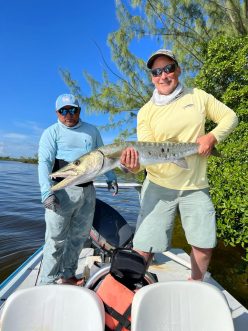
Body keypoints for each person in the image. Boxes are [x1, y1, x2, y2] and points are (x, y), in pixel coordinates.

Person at [120, 49, 238, 281]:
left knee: (204, 246)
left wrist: (211, 137)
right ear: (152, 77)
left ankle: (194, 283)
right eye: (156, 72)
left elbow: (230, 117)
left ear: (178, 70)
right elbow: (148, 153)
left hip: (195, 184)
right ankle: (132, 288)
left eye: (168, 69)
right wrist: (133, 167)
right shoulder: (145, 112)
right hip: (158, 185)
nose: (163, 76)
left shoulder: (198, 96)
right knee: (143, 247)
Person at [38, 93, 118, 285]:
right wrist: (46, 192)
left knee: (79, 237)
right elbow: (44, 163)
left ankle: (68, 275)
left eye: (73, 110)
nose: (68, 114)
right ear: (57, 113)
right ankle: (47, 281)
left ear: (79, 111)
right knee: (55, 240)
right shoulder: (51, 132)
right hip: (62, 193)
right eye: (63, 111)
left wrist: (111, 178)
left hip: (87, 193)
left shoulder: (91, 131)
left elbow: (105, 155)